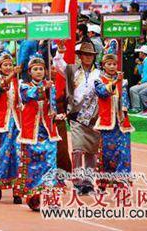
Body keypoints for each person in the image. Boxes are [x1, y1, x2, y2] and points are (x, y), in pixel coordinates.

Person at [53, 41, 100, 196]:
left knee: (91, 152)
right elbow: (58, 64)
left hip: (93, 117)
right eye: (85, 55)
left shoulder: (99, 74)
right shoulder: (72, 71)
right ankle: (78, 182)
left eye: (90, 55)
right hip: (76, 116)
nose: (87, 58)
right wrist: (60, 51)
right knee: (78, 150)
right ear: (80, 56)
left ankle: (88, 182)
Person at [17, 53, 62, 211]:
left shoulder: (51, 86)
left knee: (50, 164)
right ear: (30, 72)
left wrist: (55, 111)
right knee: (34, 166)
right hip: (32, 133)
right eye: (35, 69)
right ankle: (34, 197)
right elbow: (30, 96)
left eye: (41, 69)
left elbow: (53, 106)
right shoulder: (23, 86)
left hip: (48, 131)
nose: (38, 72)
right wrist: (44, 88)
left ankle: (50, 198)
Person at [94, 54, 134, 188]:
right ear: (103, 65)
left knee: (124, 153)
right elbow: (103, 93)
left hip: (122, 123)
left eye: (114, 64)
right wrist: (116, 81)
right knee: (108, 155)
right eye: (109, 64)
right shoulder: (99, 80)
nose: (112, 66)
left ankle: (122, 183)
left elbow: (125, 100)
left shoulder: (123, 81)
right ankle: (105, 180)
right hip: (107, 123)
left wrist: (124, 110)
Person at [0, 52, 22, 204]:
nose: (8, 67)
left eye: (10, 64)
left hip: (17, 122)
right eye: (5, 65)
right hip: (1, 123)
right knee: (1, 154)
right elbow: (0, 89)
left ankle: (17, 190)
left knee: (18, 155)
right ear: (0, 67)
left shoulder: (19, 83)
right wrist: (12, 75)